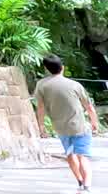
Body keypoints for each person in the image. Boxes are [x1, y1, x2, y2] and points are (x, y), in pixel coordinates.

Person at [35, 54, 100, 192]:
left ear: (46, 69)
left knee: (70, 155)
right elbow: (89, 107)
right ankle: (86, 187)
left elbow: (40, 108)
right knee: (82, 157)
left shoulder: (41, 85)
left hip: (61, 128)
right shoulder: (75, 85)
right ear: (62, 68)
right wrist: (95, 123)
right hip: (80, 127)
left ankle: (80, 182)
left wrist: (41, 127)